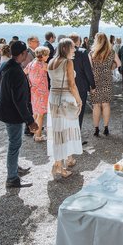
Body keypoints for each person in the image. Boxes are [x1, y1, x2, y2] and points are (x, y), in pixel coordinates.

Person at [0, 40, 37, 188]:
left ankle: (14, 168)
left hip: (5, 109)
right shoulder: (16, 72)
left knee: (14, 143)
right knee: (14, 144)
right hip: (12, 113)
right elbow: (19, 101)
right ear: (24, 53)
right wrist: (30, 121)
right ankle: (12, 178)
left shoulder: (5, 65)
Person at [47, 38, 83, 178]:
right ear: (66, 48)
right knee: (65, 131)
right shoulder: (68, 62)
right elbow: (72, 85)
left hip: (54, 98)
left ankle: (67, 158)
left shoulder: (51, 61)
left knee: (58, 130)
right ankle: (58, 165)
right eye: (73, 47)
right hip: (65, 98)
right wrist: (79, 100)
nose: (75, 50)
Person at [89, 32, 121, 136]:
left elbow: (90, 68)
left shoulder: (92, 52)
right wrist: (111, 67)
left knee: (96, 105)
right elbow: (119, 63)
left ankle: (96, 129)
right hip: (107, 79)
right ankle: (106, 128)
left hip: (95, 80)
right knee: (106, 104)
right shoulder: (111, 52)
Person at [69, 33, 95, 143]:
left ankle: (68, 135)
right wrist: (92, 85)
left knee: (68, 112)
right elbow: (87, 70)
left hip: (66, 86)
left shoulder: (59, 51)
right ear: (78, 41)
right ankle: (76, 137)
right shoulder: (82, 52)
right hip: (80, 85)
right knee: (79, 111)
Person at [25, 46, 50, 142]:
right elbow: (54, 72)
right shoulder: (43, 65)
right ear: (42, 55)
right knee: (40, 114)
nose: (48, 56)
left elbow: (24, 73)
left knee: (35, 113)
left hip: (34, 91)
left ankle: (35, 134)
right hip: (42, 92)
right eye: (47, 54)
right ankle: (38, 136)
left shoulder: (31, 63)